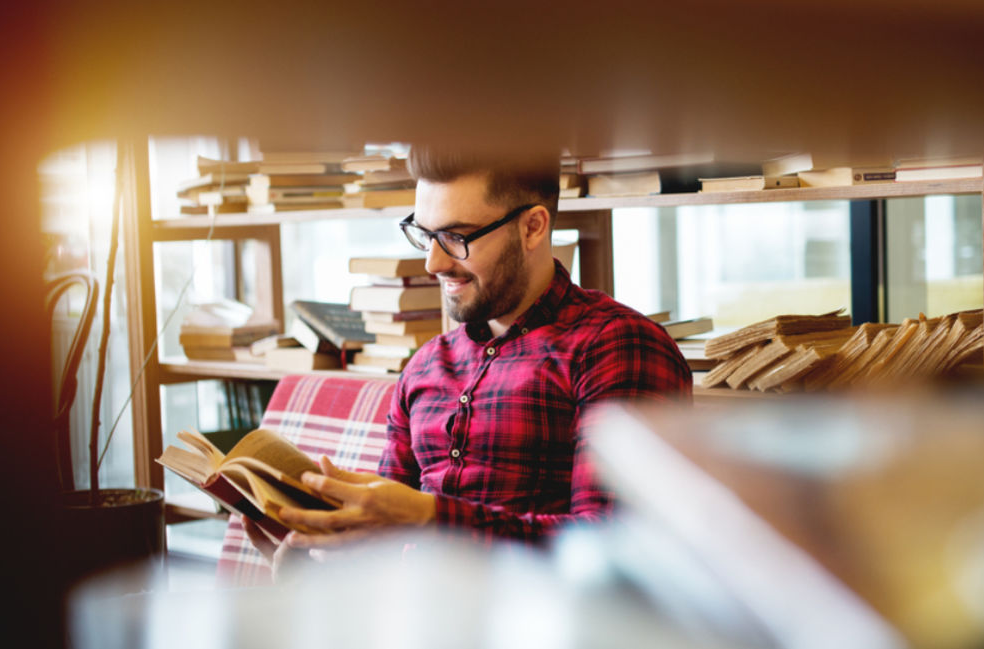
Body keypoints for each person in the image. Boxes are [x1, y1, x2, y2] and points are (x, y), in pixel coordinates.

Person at [244, 144, 691, 566]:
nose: (433, 264)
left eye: (456, 237)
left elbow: (616, 553)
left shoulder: (618, 347)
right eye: (425, 234)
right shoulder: (425, 365)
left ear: (532, 227)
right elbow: (380, 541)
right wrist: (312, 553)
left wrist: (429, 517)